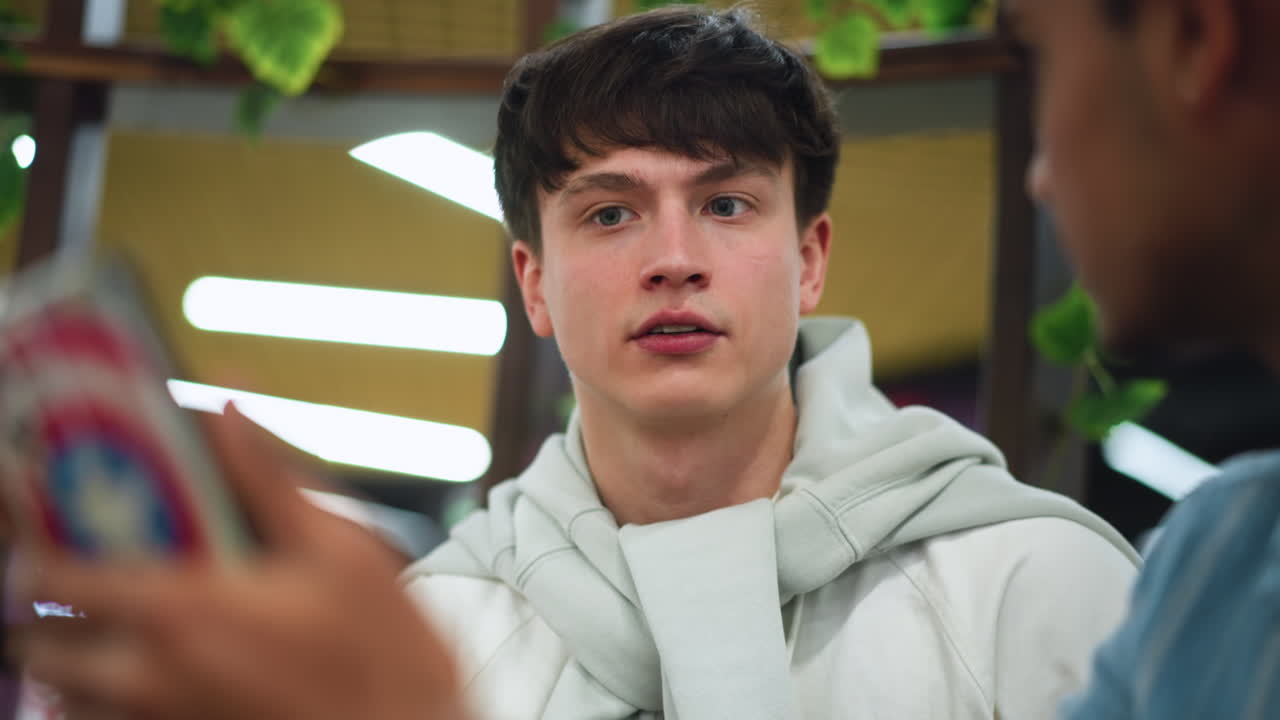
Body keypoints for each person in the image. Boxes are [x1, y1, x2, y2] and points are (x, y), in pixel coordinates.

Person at [13, 6, 1139, 720]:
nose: (673, 258)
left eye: (726, 204)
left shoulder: (1035, 587)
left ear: (808, 260)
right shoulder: (429, 631)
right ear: (535, 284)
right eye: (608, 214)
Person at [1002, 0, 1280, 717]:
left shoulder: (1222, 569)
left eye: (1041, 58)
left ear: (1194, 34)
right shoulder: (1217, 558)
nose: (1040, 178)